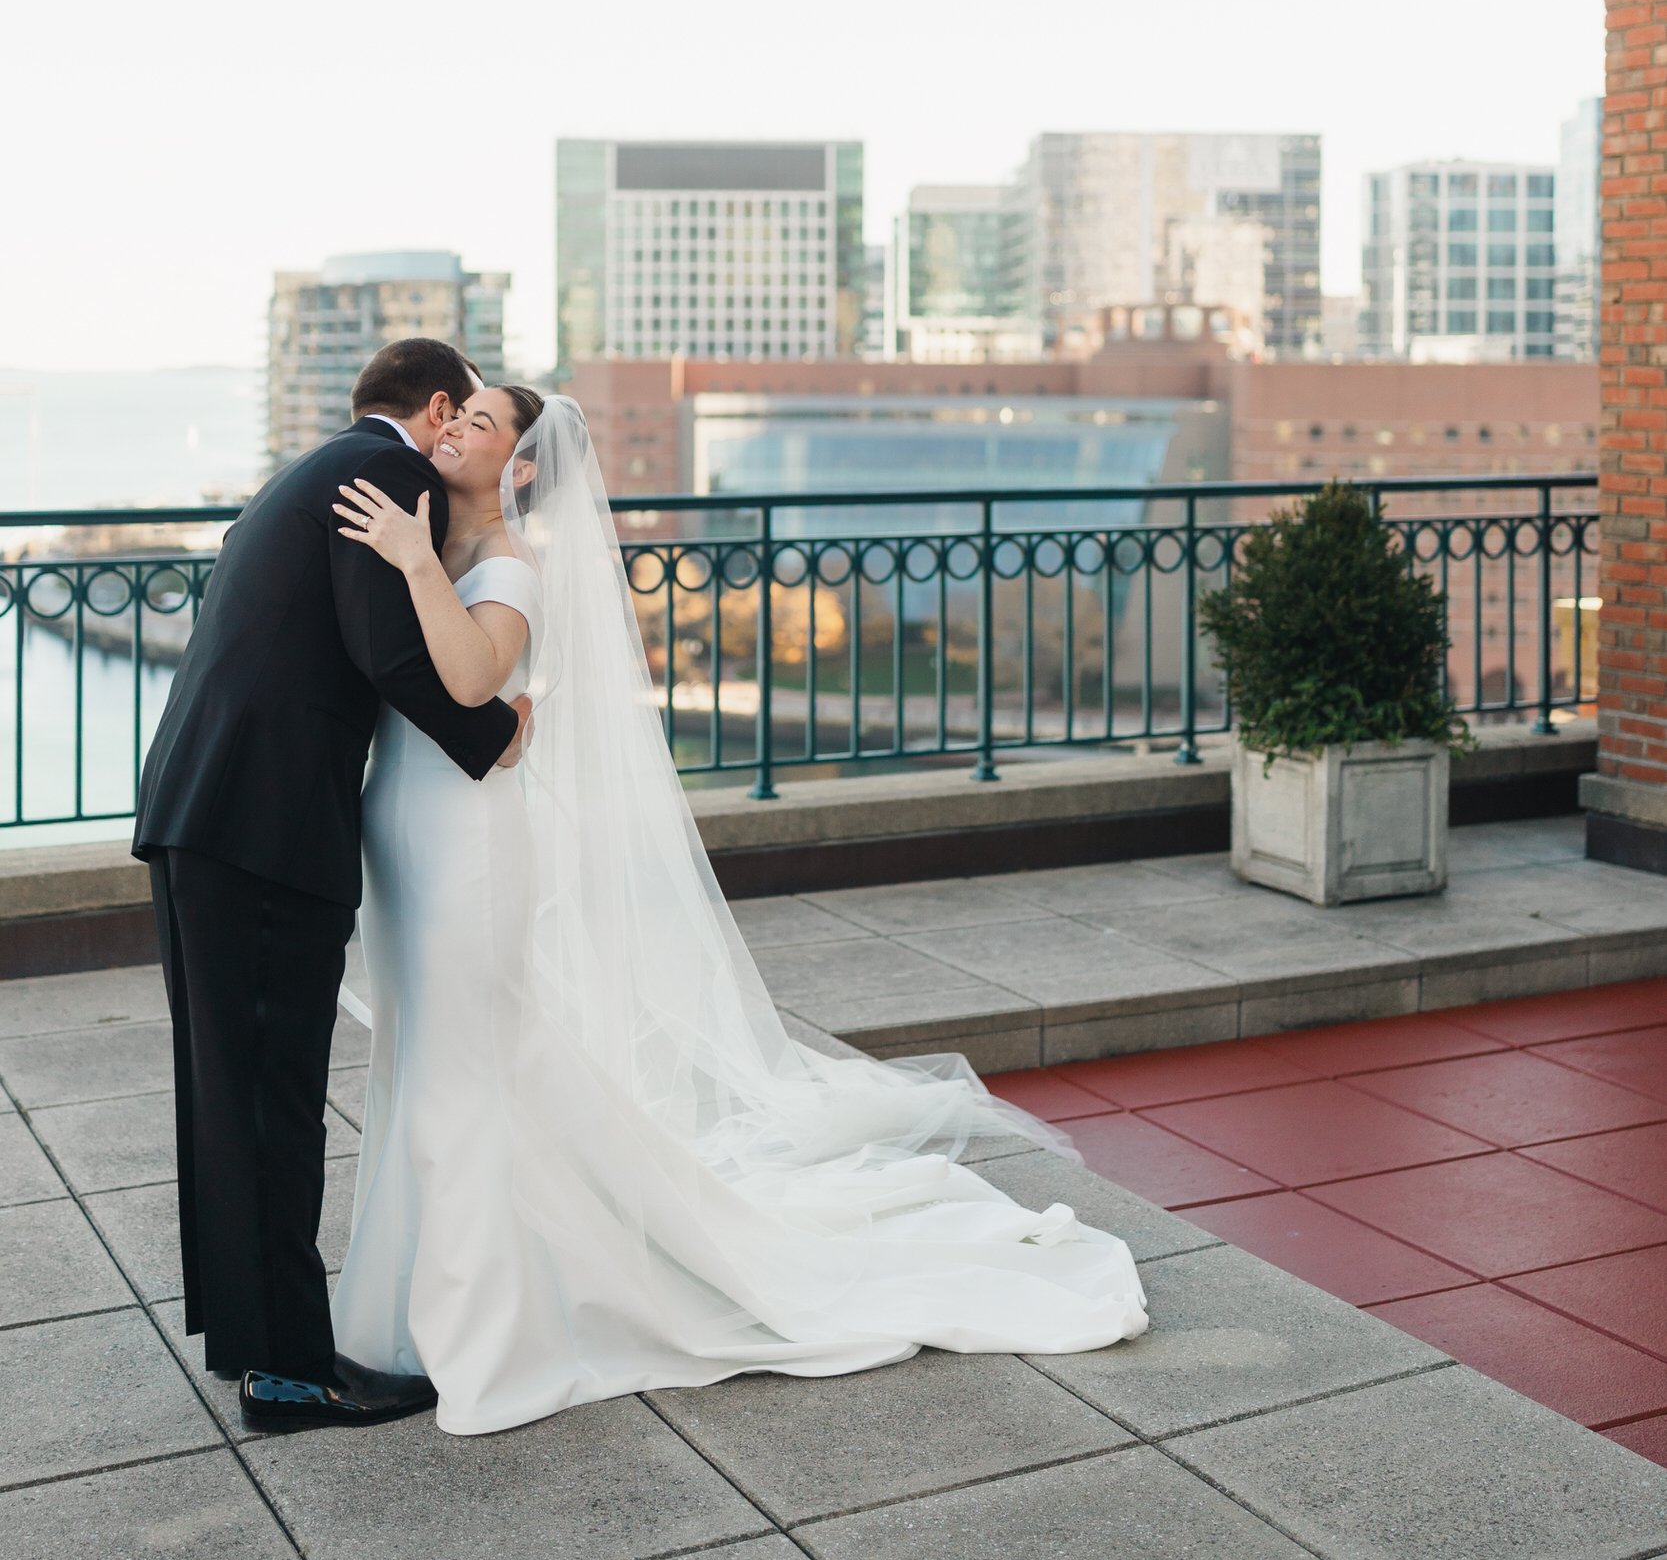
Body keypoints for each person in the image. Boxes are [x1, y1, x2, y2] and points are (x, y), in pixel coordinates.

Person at [330, 387, 1147, 1436]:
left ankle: (481, 1331)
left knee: (468, 1070)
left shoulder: (510, 563)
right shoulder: (443, 543)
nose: (452, 431)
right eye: (455, 418)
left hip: (468, 849)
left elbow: (474, 672)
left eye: (479, 424)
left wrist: (405, 559)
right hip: (407, 828)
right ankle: (409, 1309)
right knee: (430, 1065)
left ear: (522, 467)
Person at [132, 338, 531, 1434]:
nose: (455, 440)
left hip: (199, 808)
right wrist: (493, 732)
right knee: (270, 1097)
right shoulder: (390, 476)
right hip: (263, 825)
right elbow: (387, 650)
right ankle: (294, 1373)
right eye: (459, 418)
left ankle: (247, 1341)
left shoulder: (306, 471)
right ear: (438, 404)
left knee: (228, 1091)